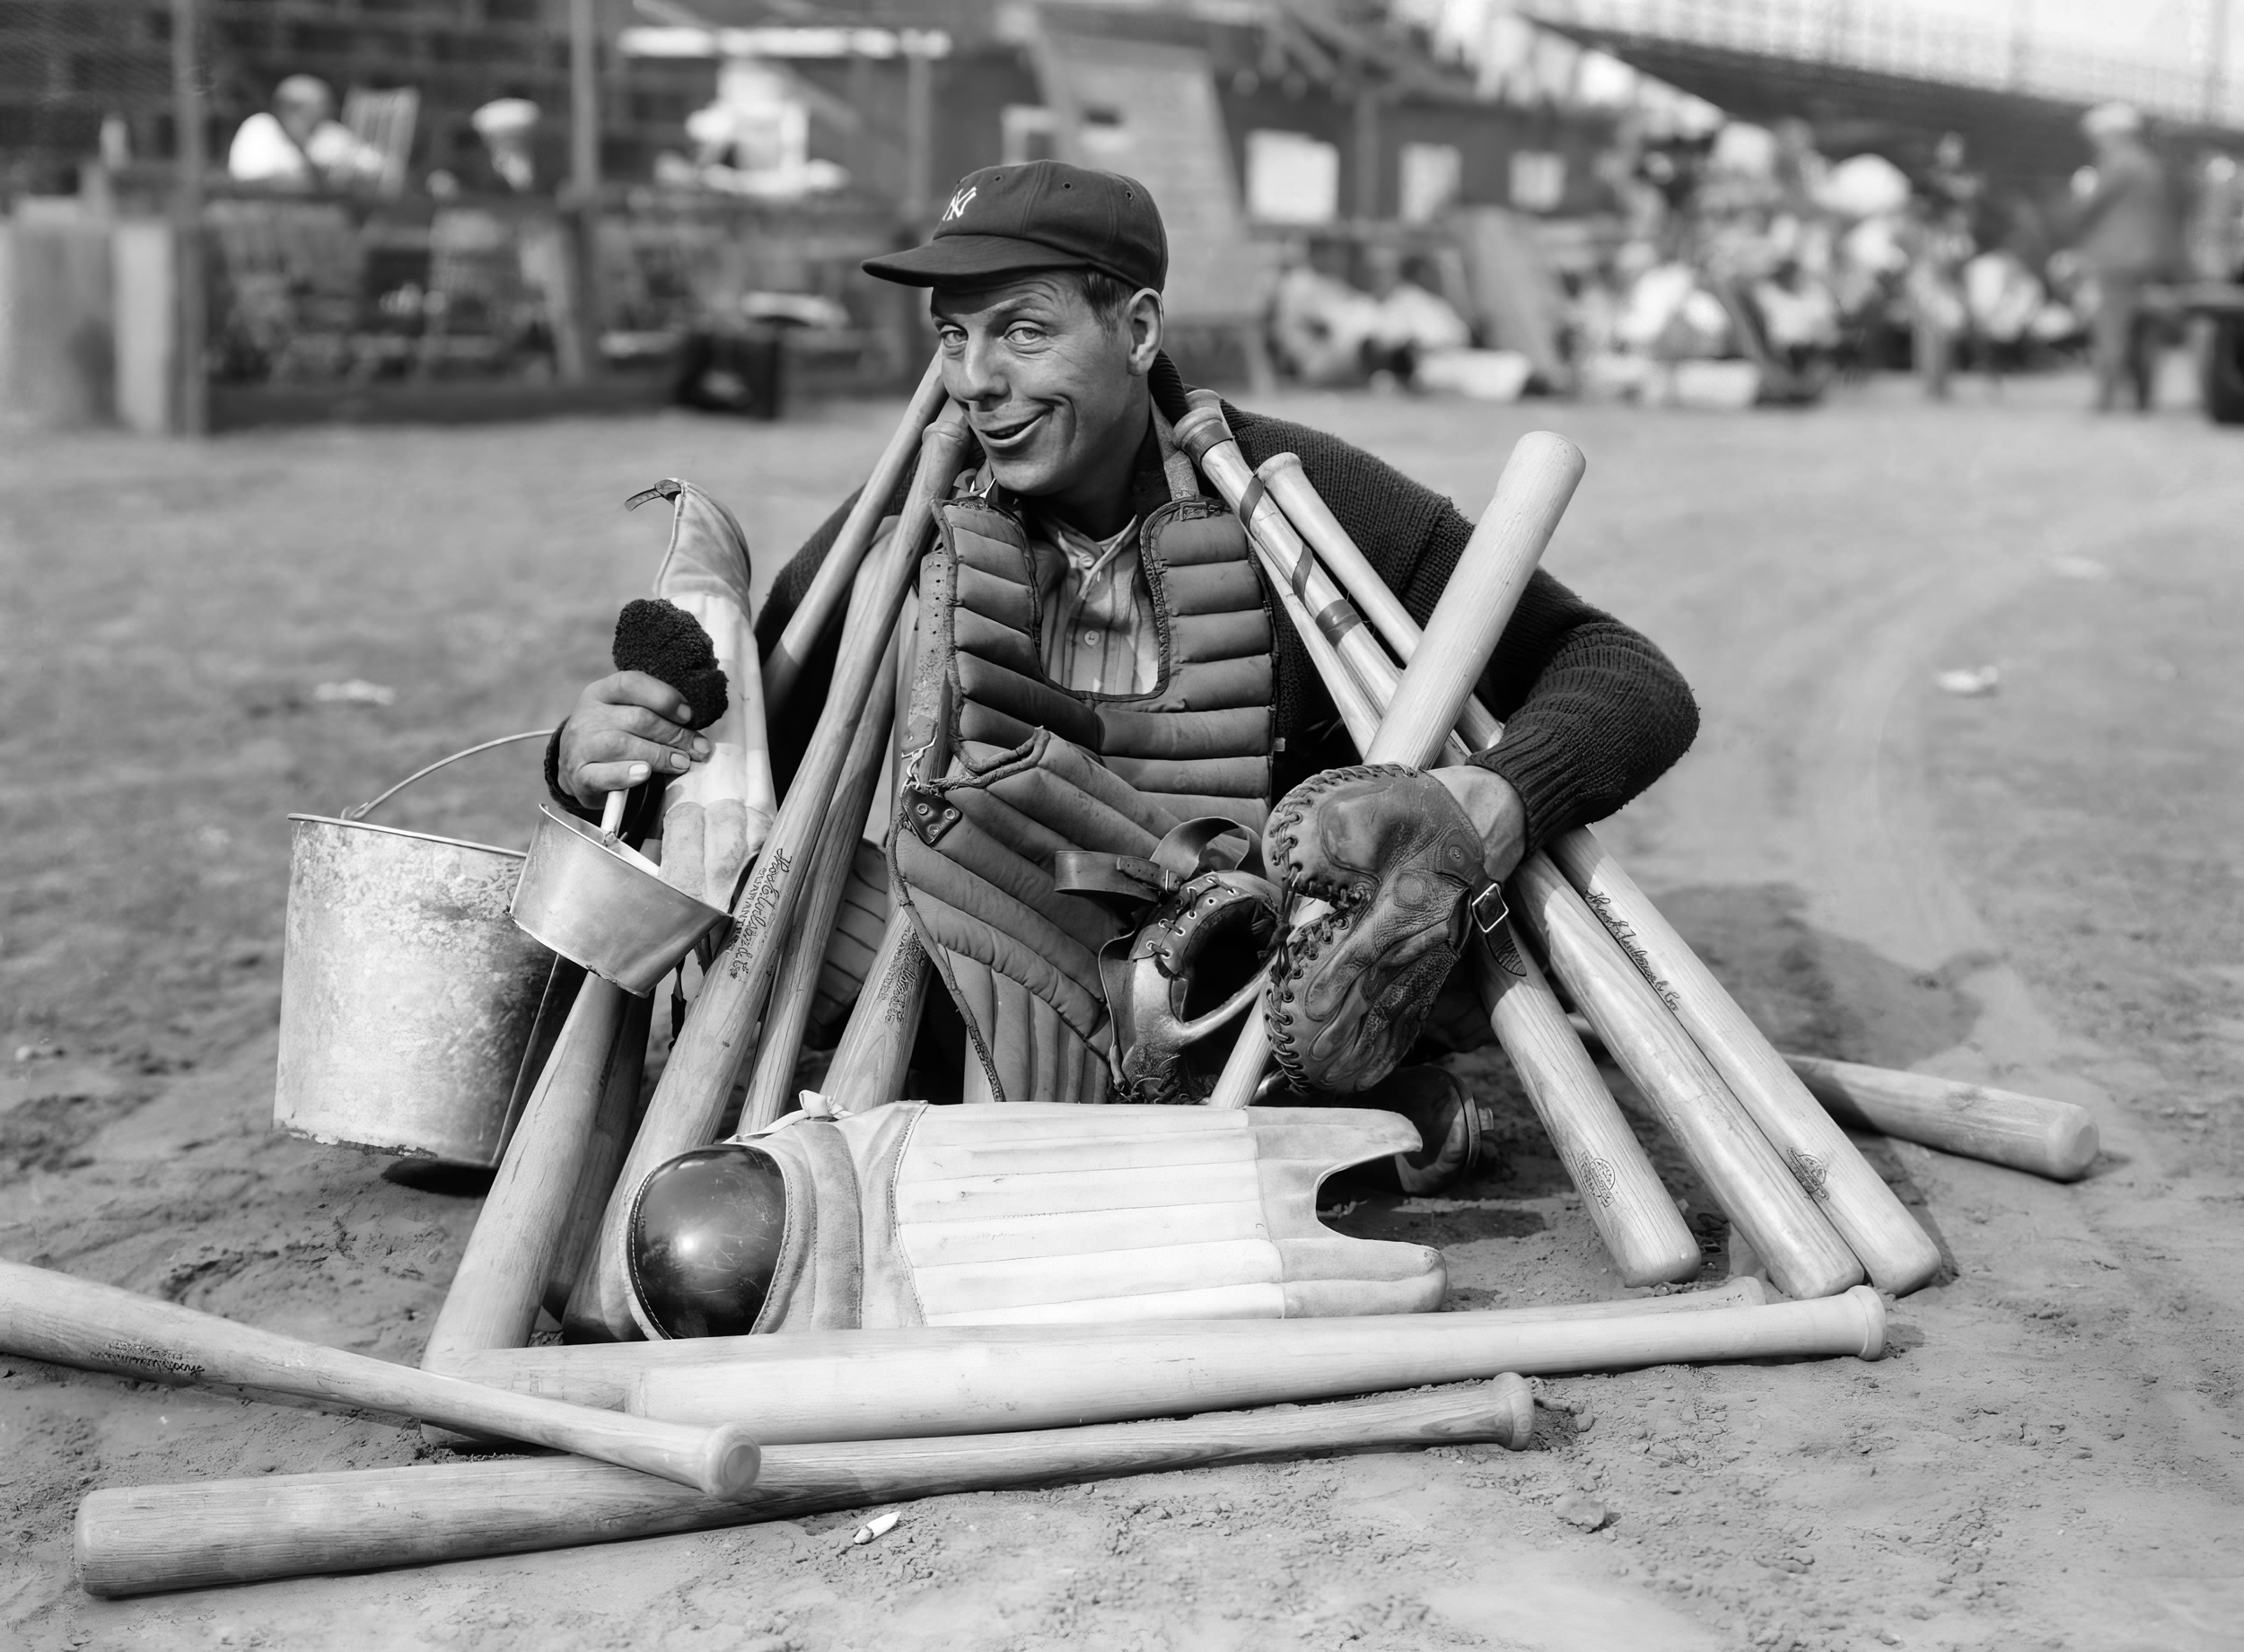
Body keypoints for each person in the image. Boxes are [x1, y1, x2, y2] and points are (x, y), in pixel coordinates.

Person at [550, 162, 1696, 1122]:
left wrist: (1492, 801)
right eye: (953, 337)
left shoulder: (1300, 499)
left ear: (1137, 330)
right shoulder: (905, 532)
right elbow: (735, 787)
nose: (978, 381)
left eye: (1024, 331)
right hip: (985, 1022)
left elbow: (1625, 675)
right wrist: (589, 759)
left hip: (1249, 1009)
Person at [2071, 103, 2181, 412]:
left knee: (2111, 326)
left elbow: (2089, 207)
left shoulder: (2116, 163)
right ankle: (2143, 396)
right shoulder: (2149, 164)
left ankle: (2105, 397)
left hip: (2116, 257)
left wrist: (2081, 190)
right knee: (2143, 326)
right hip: (2148, 256)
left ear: (2113, 134)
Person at [225, 76, 385, 190]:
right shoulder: (261, 127)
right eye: (317, 117)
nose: (324, 123)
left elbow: (378, 167)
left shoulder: (326, 134)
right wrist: (316, 172)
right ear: (291, 114)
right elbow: (251, 181)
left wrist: (350, 165)